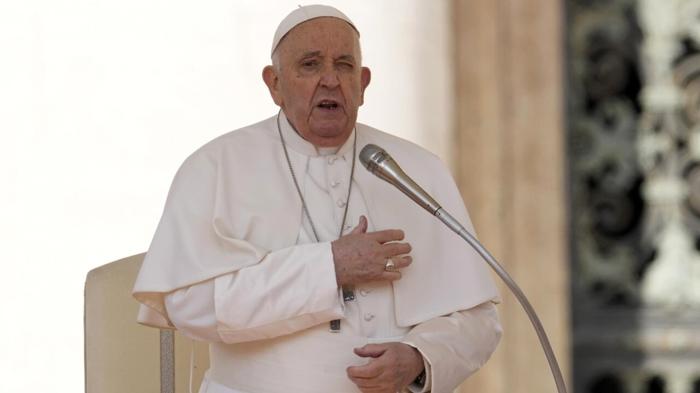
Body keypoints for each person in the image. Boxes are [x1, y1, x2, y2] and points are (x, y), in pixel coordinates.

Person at [133, 5, 501, 393]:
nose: (330, 79)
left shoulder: (417, 170)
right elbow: (189, 305)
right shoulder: (214, 167)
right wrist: (329, 268)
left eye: (343, 65)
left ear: (363, 82)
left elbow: (478, 319)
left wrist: (420, 359)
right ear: (274, 83)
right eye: (310, 64)